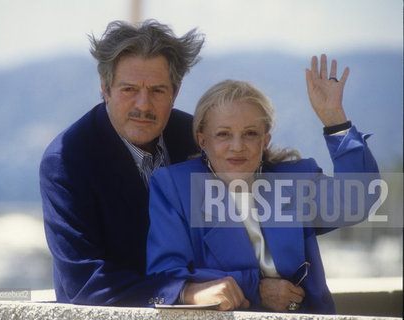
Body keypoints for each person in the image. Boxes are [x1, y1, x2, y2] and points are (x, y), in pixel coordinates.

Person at [146, 55, 379, 313]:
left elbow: (359, 200)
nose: (237, 146)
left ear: (265, 140)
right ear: (203, 140)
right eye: (223, 134)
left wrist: (335, 119)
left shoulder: (294, 180)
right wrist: (254, 290)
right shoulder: (175, 187)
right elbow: (166, 279)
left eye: (250, 134)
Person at [39, 20, 204, 306]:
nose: (143, 105)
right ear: (106, 89)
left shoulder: (198, 140)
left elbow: (266, 195)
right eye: (129, 89)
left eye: (157, 91)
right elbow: (84, 284)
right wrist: (181, 293)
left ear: (175, 93)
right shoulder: (66, 162)